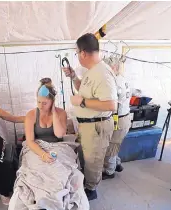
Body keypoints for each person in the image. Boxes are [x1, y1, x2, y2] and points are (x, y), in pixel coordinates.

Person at [63, 33, 117, 201]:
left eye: (77, 53)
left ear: (83, 53)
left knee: (93, 160)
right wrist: (73, 77)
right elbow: (84, 90)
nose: (78, 56)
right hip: (88, 125)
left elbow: (111, 105)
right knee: (87, 157)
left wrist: (82, 102)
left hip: (96, 126)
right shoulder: (91, 72)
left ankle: (90, 190)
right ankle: (87, 184)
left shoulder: (102, 73)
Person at [24, 78, 67, 163]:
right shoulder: (31, 115)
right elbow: (30, 141)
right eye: (38, 102)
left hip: (57, 147)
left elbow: (59, 135)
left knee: (58, 166)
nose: (40, 106)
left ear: (52, 102)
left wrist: (54, 112)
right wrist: (43, 154)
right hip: (37, 148)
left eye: (44, 103)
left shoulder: (61, 113)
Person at [102, 57, 132, 179]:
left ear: (113, 67)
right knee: (115, 144)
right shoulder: (123, 78)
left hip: (119, 119)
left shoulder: (114, 82)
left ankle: (109, 171)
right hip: (125, 117)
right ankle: (117, 164)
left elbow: (110, 104)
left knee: (111, 146)